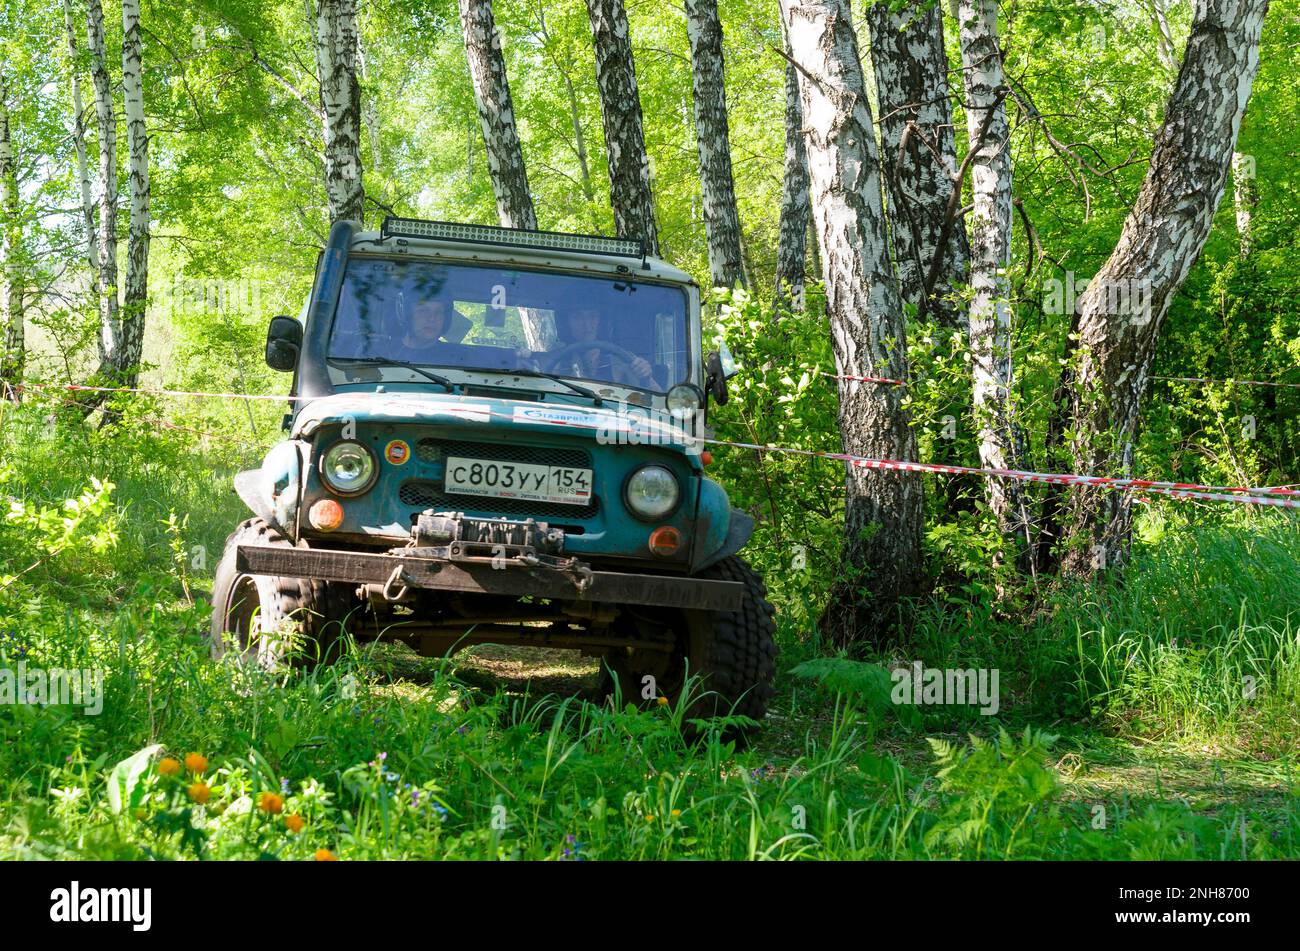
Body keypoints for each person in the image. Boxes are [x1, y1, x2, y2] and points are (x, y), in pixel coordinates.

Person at [550, 307, 657, 387]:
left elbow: (659, 402)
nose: (587, 325)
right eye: (578, 316)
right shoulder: (552, 360)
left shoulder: (621, 358)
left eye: (593, 316)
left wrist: (644, 372)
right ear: (566, 322)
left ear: (601, 321)